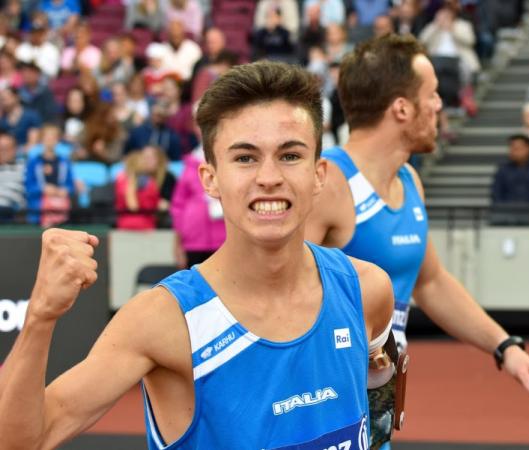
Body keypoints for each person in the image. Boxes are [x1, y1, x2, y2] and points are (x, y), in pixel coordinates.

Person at [0, 61, 395, 449]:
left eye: (290, 155)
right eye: (245, 158)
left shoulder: (366, 289)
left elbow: (379, 418)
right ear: (211, 178)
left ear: (319, 174)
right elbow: (22, 441)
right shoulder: (162, 320)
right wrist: (40, 316)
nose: (269, 177)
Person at [305, 34, 529, 448]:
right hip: (325, 409)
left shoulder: (409, 181)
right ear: (401, 108)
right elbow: (276, 294)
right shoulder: (329, 182)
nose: (440, 105)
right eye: (433, 95)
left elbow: (431, 282)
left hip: (376, 400)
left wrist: (504, 346)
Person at [115, 145, 176, 230]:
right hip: (146, 224)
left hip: (125, 224)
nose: (146, 161)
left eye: (150, 158)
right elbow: (134, 205)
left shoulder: (120, 179)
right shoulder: (150, 184)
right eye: (144, 158)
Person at [491, 134, 529, 204]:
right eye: (511, 148)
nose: (514, 152)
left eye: (517, 148)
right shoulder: (502, 170)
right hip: (507, 211)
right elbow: (496, 195)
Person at [0, 131, 24, 219]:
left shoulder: (24, 168)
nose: (3, 152)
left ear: (15, 149)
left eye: (7, 148)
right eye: (1, 148)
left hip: (13, 213)